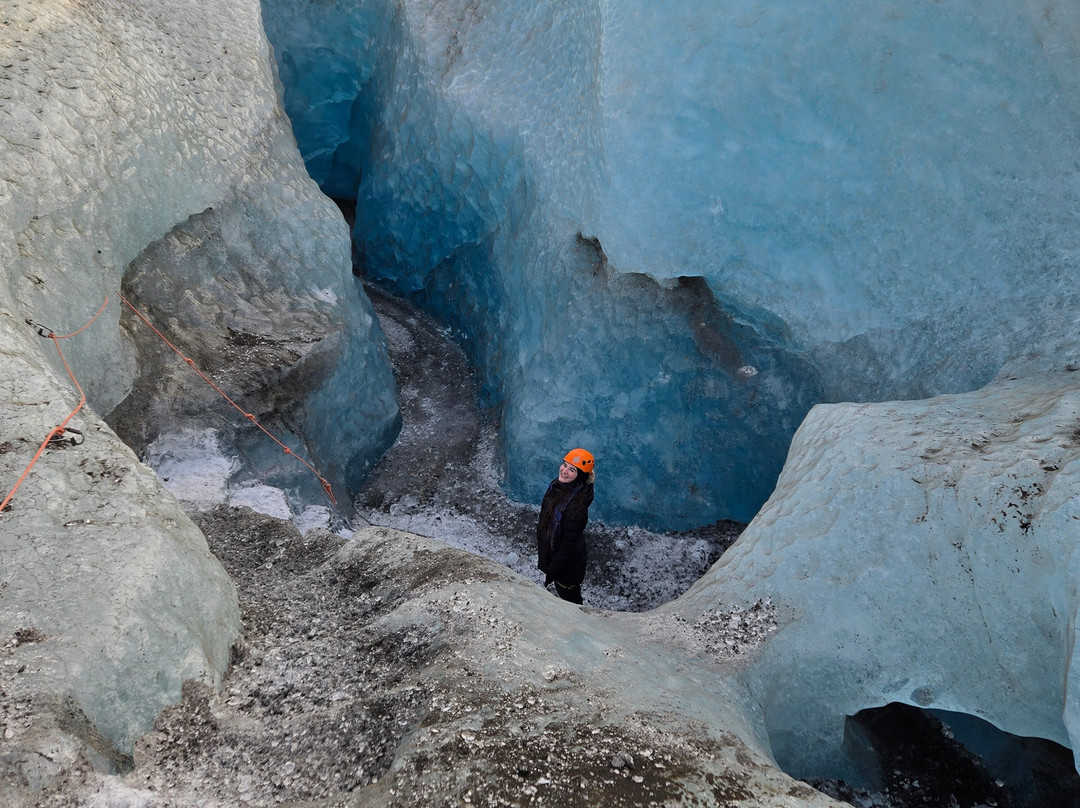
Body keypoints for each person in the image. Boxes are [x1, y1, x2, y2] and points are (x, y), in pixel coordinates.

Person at [536, 448, 595, 605]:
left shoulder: (577, 507)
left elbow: (567, 547)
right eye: (564, 465)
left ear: (580, 476)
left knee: (569, 595)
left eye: (572, 469)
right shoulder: (558, 487)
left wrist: (552, 572)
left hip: (568, 567)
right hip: (556, 555)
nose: (564, 471)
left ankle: (581, 619)